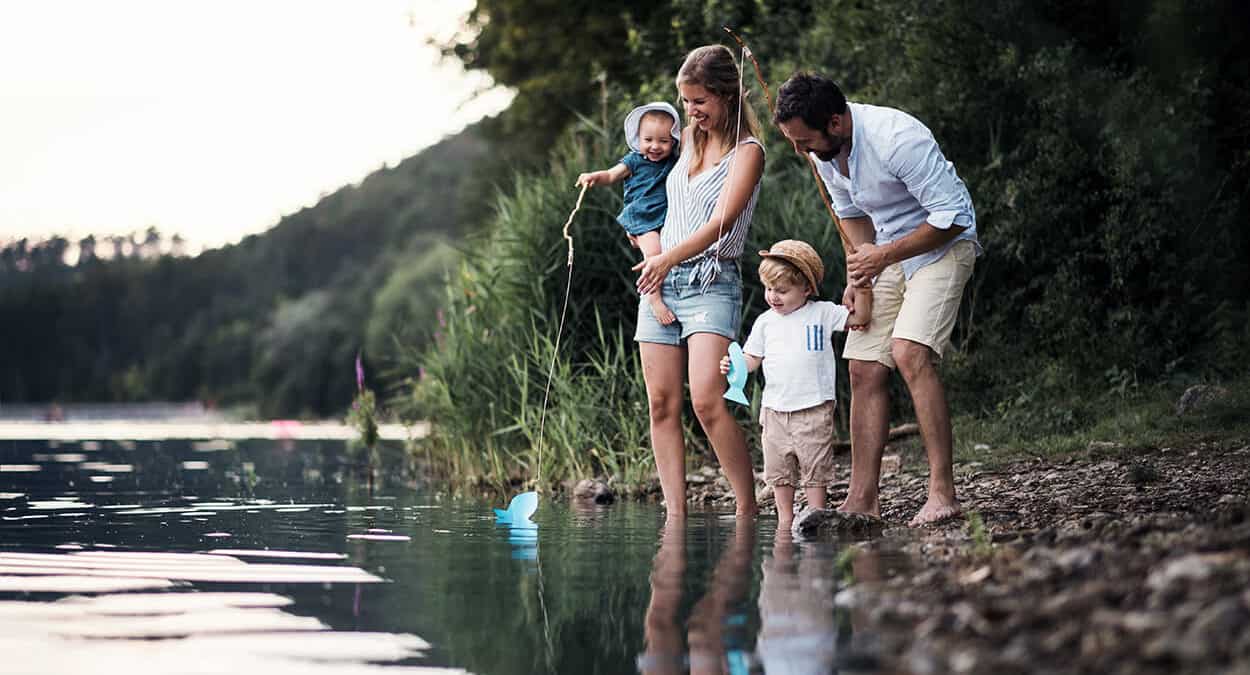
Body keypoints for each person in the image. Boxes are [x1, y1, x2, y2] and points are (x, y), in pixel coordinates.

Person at [773, 73, 981, 527]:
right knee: (863, 365)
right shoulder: (824, 153)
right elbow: (852, 216)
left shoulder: (897, 139)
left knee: (908, 352)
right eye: (794, 142)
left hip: (944, 246)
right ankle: (862, 500)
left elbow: (953, 217)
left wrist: (882, 255)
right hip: (887, 252)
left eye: (805, 140)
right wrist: (860, 274)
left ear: (835, 122)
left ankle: (942, 493)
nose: (801, 151)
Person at [632, 44, 765, 520]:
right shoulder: (684, 137)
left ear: (727, 96)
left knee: (708, 400)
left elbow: (722, 224)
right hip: (661, 282)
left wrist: (665, 258)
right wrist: (651, 250)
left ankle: (748, 510)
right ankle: (675, 516)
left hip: (712, 280)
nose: (691, 112)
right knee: (661, 403)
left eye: (700, 101)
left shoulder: (749, 152)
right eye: (687, 101)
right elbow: (643, 193)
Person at [718, 240, 862, 525]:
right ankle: (785, 520)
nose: (773, 296)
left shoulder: (821, 312)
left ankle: (815, 516)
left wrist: (861, 286)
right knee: (779, 470)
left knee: (814, 466)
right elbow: (751, 359)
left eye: (782, 291)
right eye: (769, 289)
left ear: (806, 288)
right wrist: (734, 366)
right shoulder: (765, 322)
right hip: (774, 411)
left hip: (814, 408)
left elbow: (859, 317)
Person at [577, 102, 682, 324]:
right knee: (654, 254)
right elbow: (611, 175)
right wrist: (595, 177)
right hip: (642, 216)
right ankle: (653, 298)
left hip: (665, 217)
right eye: (648, 140)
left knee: (669, 249)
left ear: (673, 140)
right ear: (638, 139)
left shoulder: (674, 162)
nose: (655, 146)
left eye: (663, 141)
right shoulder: (634, 160)